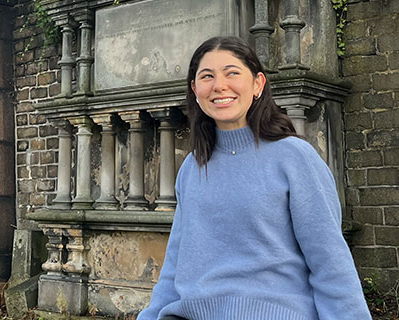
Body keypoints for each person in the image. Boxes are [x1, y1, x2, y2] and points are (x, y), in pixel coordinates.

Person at [136, 36, 371, 320]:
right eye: (207, 76)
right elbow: (176, 263)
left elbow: (330, 264)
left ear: (258, 83)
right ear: (195, 90)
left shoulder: (295, 158)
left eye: (232, 73)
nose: (219, 85)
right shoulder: (192, 167)